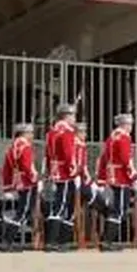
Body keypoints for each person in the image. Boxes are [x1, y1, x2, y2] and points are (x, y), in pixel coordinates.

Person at [98, 112, 137, 252]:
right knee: (119, 210)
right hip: (122, 177)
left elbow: (104, 159)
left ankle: (106, 240)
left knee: (117, 209)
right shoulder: (123, 138)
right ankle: (107, 241)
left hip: (113, 176)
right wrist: (134, 176)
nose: (131, 127)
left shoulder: (111, 137)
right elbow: (125, 159)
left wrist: (102, 178)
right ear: (124, 125)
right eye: (129, 124)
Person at [43, 103, 79, 251]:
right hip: (65, 171)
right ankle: (52, 242)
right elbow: (68, 152)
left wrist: (49, 170)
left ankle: (62, 241)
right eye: (73, 116)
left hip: (56, 169)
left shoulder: (53, 130)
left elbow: (48, 153)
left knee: (62, 203)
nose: (74, 119)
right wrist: (73, 170)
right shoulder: (66, 131)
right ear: (67, 116)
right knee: (60, 205)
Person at [0, 122, 39, 253]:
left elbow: (6, 169)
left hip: (18, 181)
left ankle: (7, 241)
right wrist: (35, 179)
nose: (32, 135)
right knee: (23, 212)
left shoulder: (13, 146)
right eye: (30, 133)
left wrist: (7, 186)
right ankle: (7, 241)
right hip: (27, 182)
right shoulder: (25, 146)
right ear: (24, 133)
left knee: (23, 211)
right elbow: (27, 166)